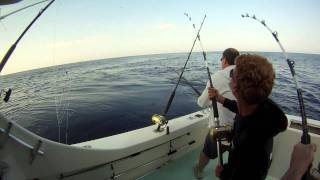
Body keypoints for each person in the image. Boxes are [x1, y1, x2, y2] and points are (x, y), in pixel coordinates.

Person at [211, 54, 288, 179]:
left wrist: (223, 174)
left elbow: (242, 174)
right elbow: (242, 110)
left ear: (235, 87)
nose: (230, 77)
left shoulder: (248, 144)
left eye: (232, 74)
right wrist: (220, 99)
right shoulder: (262, 108)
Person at [194, 48, 239, 179]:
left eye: (221, 59)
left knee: (207, 153)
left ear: (224, 59)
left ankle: (199, 169)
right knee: (235, 158)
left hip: (222, 127)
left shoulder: (217, 76)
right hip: (241, 129)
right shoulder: (245, 74)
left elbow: (202, 103)